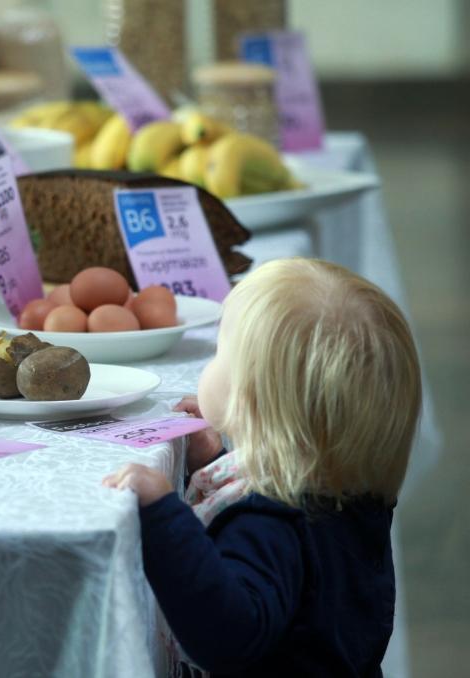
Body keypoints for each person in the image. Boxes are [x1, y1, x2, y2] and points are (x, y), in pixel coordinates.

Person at [104, 258, 422, 677]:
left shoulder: (271, 519)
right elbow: (296, 585)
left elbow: (227, 634)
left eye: (219, 352)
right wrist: (213, 463)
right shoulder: (342, 491)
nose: (210, 364)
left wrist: (165, 516)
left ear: (250, 399)